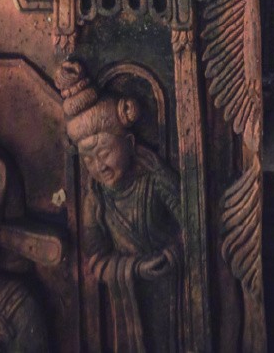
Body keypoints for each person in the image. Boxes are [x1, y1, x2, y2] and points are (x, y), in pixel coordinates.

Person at [56, 62, 181, 353]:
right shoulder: (96, 199)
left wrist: (173, 254)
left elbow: (192, 224)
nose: (99, 165)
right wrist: (134, 268)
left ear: (130, 142)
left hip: (173, 293)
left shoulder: (154, 180)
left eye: (104, 152)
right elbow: (96, 257)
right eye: (88, 159)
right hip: (128, 303)